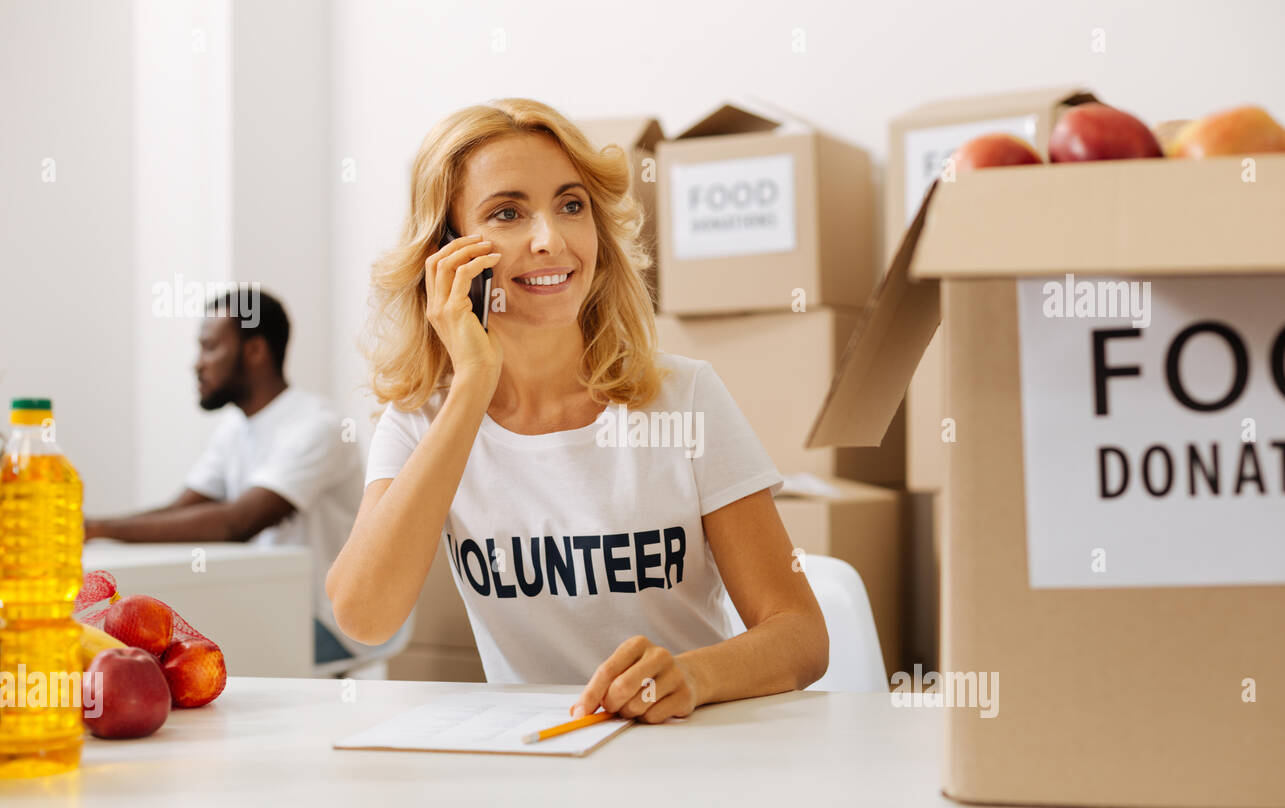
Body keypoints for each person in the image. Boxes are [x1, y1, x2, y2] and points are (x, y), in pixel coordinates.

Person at [327, 97, 828, 722]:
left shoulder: (684, 396)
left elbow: (801, 634)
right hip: (537, 768)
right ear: (448, 255)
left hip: (689, 748)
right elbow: (363, 616)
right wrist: (474, 384)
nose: (551, 239)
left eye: (571, 205)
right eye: (507, 213)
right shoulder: (421, 423)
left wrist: (690, 675)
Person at [85, 288, 365, 667]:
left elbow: (238, 523)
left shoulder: (317, 427)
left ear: (255, 350)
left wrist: (97, 527)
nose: (196, 364)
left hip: (327, 620)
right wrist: (91, 529)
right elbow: (180, 509)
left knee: (179, 654)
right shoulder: (235, 427)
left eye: (210, 347)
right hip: (266, 601)